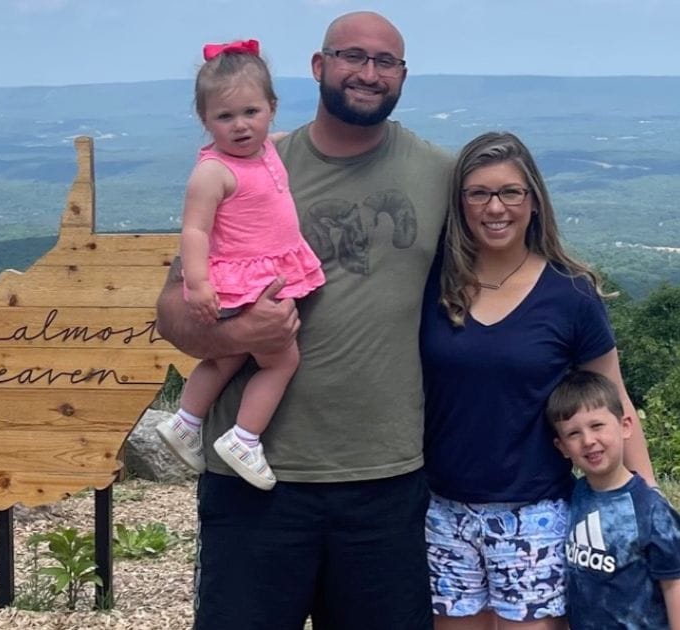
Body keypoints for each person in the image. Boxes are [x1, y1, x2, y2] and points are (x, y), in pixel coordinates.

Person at [155, 11, 452, 630]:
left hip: (384, 476)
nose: (368, 73)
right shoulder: (253, 165)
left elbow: (504, 253)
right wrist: (238, 335)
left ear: (402, 76)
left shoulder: (437, 174)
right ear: (319, 66)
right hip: (256, 479)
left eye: (386, 62)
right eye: (352, 56)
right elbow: (172, 314)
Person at [420, 131, 657, 629]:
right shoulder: (432, 282)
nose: (495, 207)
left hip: (536, 514)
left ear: (533, 201)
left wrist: (645, 499)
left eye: (510, 192)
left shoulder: (570, 294)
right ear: (460, 203)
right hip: (442, 510)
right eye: (478, 193)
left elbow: (614, 397)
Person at [155, 39, 325, 491]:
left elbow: (290, 140)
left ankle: (186, 420)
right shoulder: (213, 172)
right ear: (205, 120)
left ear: (272, 108)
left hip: (256, 277)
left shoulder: (266, 150)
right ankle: (245, 438)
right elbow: (195, 231)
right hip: (247, 283)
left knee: (227, 355)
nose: (241, 126)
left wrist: (314, 136)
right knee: (280, 361)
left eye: (251, 112)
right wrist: (197, 284)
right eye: (225, 117)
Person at [547, 370, 680, 630]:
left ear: (625, 426)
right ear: (562, 447)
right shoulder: (575, 493)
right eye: (573, 434)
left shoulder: (652, 510)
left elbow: (676, 587)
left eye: (597, 426)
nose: (588, 441)